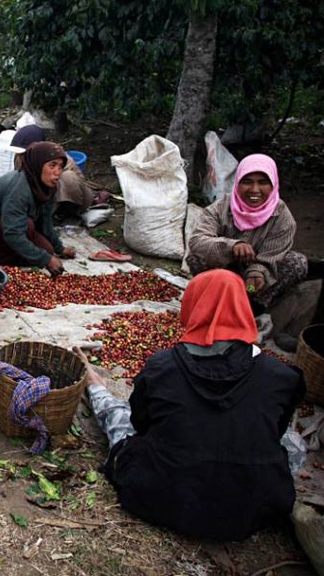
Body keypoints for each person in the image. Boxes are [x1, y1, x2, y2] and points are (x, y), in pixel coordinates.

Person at [84, 269, 305, 541]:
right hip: (252, 507)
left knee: (121, 424)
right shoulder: (282, 376)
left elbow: (140, 423)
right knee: (294, 444)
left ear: (193, 305)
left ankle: (95, 389)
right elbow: (276, 431)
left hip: (160, 495)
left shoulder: (162, 367)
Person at [187, 154, 308, 315]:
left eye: (263, 182)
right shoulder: (221, 207)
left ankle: (253, 305)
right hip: (225, 270)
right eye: (247, 182)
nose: (255, 190)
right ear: (237, 183)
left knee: (297, 262)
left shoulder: (282, 218)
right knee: (196, 257)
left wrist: (256, 272)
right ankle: (217, 296)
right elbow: (197, 240)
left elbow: (271, 257)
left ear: (273, 185)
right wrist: (232, 246)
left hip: (254, 279)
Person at [0, 141, 74, 273]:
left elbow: (45, 222)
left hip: (6, 222)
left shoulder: (48, 188)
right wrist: (46, 259)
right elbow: (13, 233)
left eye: (60, 167)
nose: (57, 173)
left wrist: (59, 248)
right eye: (52, 166)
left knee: (48, 250)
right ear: (38, 164)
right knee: (27, 227)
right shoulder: (20, 188)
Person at [8, 125, 105, 220]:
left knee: (67, 177)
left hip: (75, 198)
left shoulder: (58, 159)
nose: (21, 156)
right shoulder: (20, 159)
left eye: (24, 153)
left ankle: (70, 215)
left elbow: (55, 187)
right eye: (19, 153)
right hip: (45, 198)